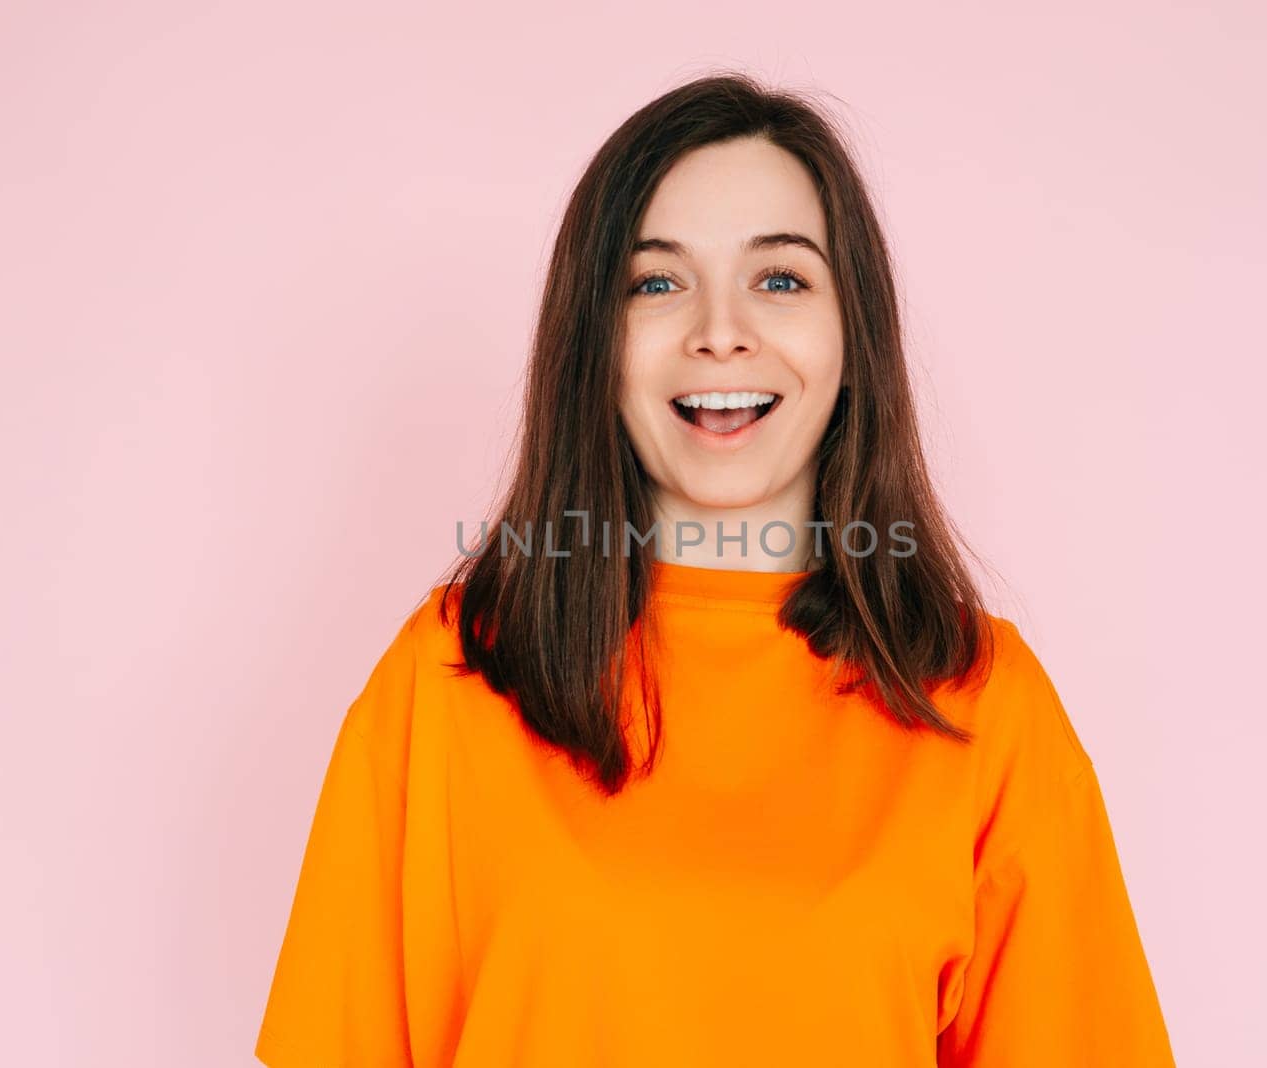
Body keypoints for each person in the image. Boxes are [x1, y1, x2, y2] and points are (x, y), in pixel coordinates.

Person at [254, 72, 1175, 1066]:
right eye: (657, 281)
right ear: (593, 346)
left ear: (853, 338)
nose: (719, 330)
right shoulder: (450, 672)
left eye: (779, 279)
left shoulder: (979, 700)